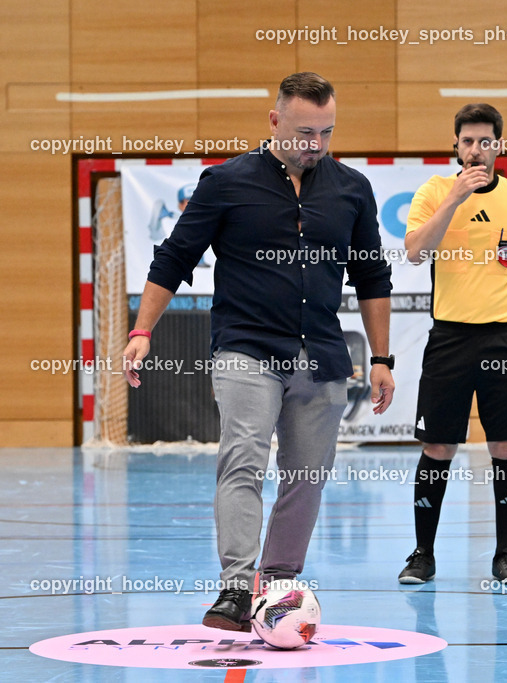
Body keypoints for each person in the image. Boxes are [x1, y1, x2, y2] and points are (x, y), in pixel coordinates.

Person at [121, 72, 395, 631]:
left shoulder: (352, 188)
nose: (314, 145)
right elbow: (173, 258)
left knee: (307, 473)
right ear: (275, 122)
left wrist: (383, 359)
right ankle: (234, 589)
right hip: (247, 347)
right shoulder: (225, 182)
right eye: (303, 133)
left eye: (325, 133)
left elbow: (372, 276)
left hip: (320, 353)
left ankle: (278, 582)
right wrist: (142, 332)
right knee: (243, 457)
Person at [399, 103, 507, 585]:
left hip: (503, 337)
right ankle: (422, 554)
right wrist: (454, 199)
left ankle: (506, 554)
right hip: (449, 337)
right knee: (439, 445)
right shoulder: (434, 192)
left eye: (485, 141)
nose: (476, 150)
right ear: (456, 146)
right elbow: (414, 250)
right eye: (467, 141)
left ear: (499, 146)